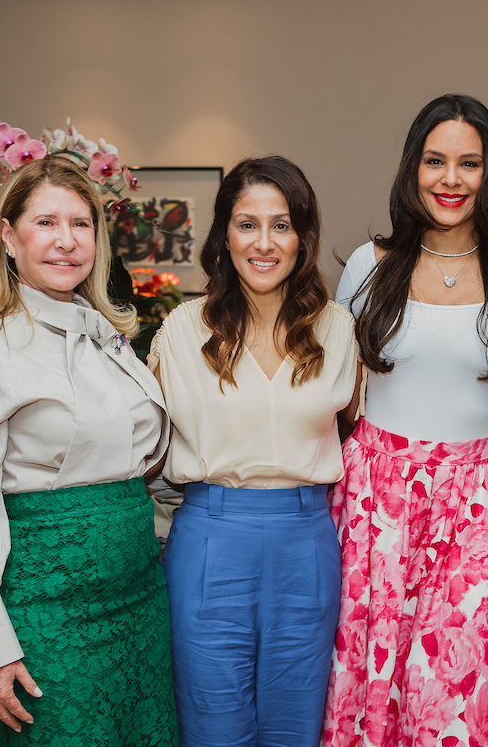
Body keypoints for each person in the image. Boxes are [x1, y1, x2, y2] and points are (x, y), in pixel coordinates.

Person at [323, 94, 488, 747]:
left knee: (454, 703)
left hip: (480, 519)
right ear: (413, 170)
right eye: (435, 161)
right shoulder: (368, 266)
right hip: (374, 511)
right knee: (367, 693)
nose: (450, 179)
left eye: (470, 163)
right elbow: (329, 391)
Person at [0, 156, 178, 746]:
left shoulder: (108, 336)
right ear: (8, 236)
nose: (66, 241)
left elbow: (142, 461)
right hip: (47, 608)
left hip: (138, 593)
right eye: (46, 223)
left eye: (81, 224)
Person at [148, 156, 359, 747]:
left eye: (282, 224)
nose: (264, 243)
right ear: (224, 236)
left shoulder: (338, 329)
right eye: (247, 224)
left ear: (302, 237)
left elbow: (368, 430)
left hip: (307, 543)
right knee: (213, 726)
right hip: (212, 541)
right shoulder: (181, 331)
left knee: (295, 729)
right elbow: (142, 449)